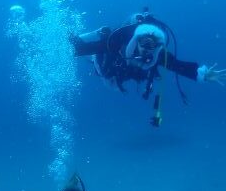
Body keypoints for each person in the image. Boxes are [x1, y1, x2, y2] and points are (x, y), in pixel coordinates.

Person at [71, 10, 226, 125]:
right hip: (107, 65)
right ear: (136, 40)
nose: (147, 49)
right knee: (98, 64)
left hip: (126, 74)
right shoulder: (117, 44)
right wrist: (70, 46)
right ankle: (91, 35)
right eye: (144, 43)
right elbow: (87, 48)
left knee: (113, 81)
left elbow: (178, 66)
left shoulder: (159, 55)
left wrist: (203, 74)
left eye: (153, 45)